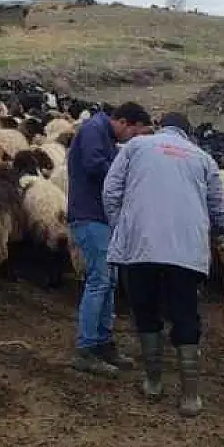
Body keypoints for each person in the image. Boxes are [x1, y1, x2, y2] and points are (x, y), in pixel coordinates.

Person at [103, 112, 224, 416]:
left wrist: (122, 228)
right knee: (186, 315)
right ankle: (190, 396)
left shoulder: (136, 147)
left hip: (142, 248)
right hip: (186, 252)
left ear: (161, 128)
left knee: (146, 312)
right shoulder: (203, 158)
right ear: (188, 134)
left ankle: (153, 383)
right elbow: (221, 212)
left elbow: (110, 193)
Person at [67, 101, 154, 376]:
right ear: (125, 122)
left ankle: (103, 342)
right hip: (89, 216)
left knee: (109, 280)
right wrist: (129, 175)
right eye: (135, 134)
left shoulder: (103, 134)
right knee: (100, 279)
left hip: (101, 218)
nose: (133, 141)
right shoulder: (94, 129)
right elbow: (95, 166)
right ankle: (87, 347)